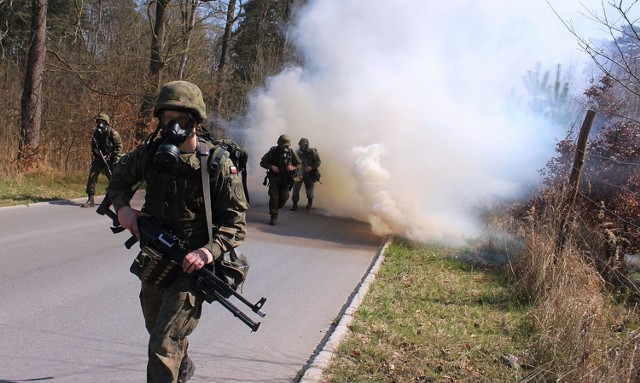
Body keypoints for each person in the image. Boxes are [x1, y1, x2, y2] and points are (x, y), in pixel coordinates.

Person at [106, 80, 248, 383]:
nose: (174, 126)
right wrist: (124, 209)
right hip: (155, 261)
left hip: (191, 266)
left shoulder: (217, 164)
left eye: (181, 119)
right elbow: (118, 180)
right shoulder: (149, 155)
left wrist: (207, 251)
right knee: (156, 327)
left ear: (195, 121)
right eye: (168, 119)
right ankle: (183, 369)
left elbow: (236, 223)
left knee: (163, 344)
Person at [82, 112, 123, 207]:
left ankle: (116, 198)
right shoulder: (96, 133)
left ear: (106, 123)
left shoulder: (113, 133)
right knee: (92, 176)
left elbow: (119, 147)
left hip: (110, 160)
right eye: (99, 122)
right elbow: (93, 145)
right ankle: (91, 198)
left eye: (102, 122)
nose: (100, 124)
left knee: (113, 179)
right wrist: (95, 150)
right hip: (99, 159)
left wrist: (110, 155)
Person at [260, 134, 301, 225]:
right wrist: (271, 166)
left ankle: (275, 208)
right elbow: (262, 162)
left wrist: (293, 167)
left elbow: (299, 164)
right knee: (274, 197)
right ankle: (273, 216)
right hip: (274, 177)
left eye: (287, 145)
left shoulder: (291, 152)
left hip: (286, 178)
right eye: (284, 145)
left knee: (284, 198)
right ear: (279, 144)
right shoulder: (273, 151)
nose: (285, 147)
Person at [291, 137, 321, 211]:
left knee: (309, 191)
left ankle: (309, 202)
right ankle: (294, 204)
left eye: (304, 144)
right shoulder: (297, 152)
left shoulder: (313, 152)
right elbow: (293, 162)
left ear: (307, 145)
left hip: (309, 174)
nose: (302, 146)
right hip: (299, 173)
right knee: (295, 188)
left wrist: (311, 167)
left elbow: (318, 162)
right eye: (301, 144)